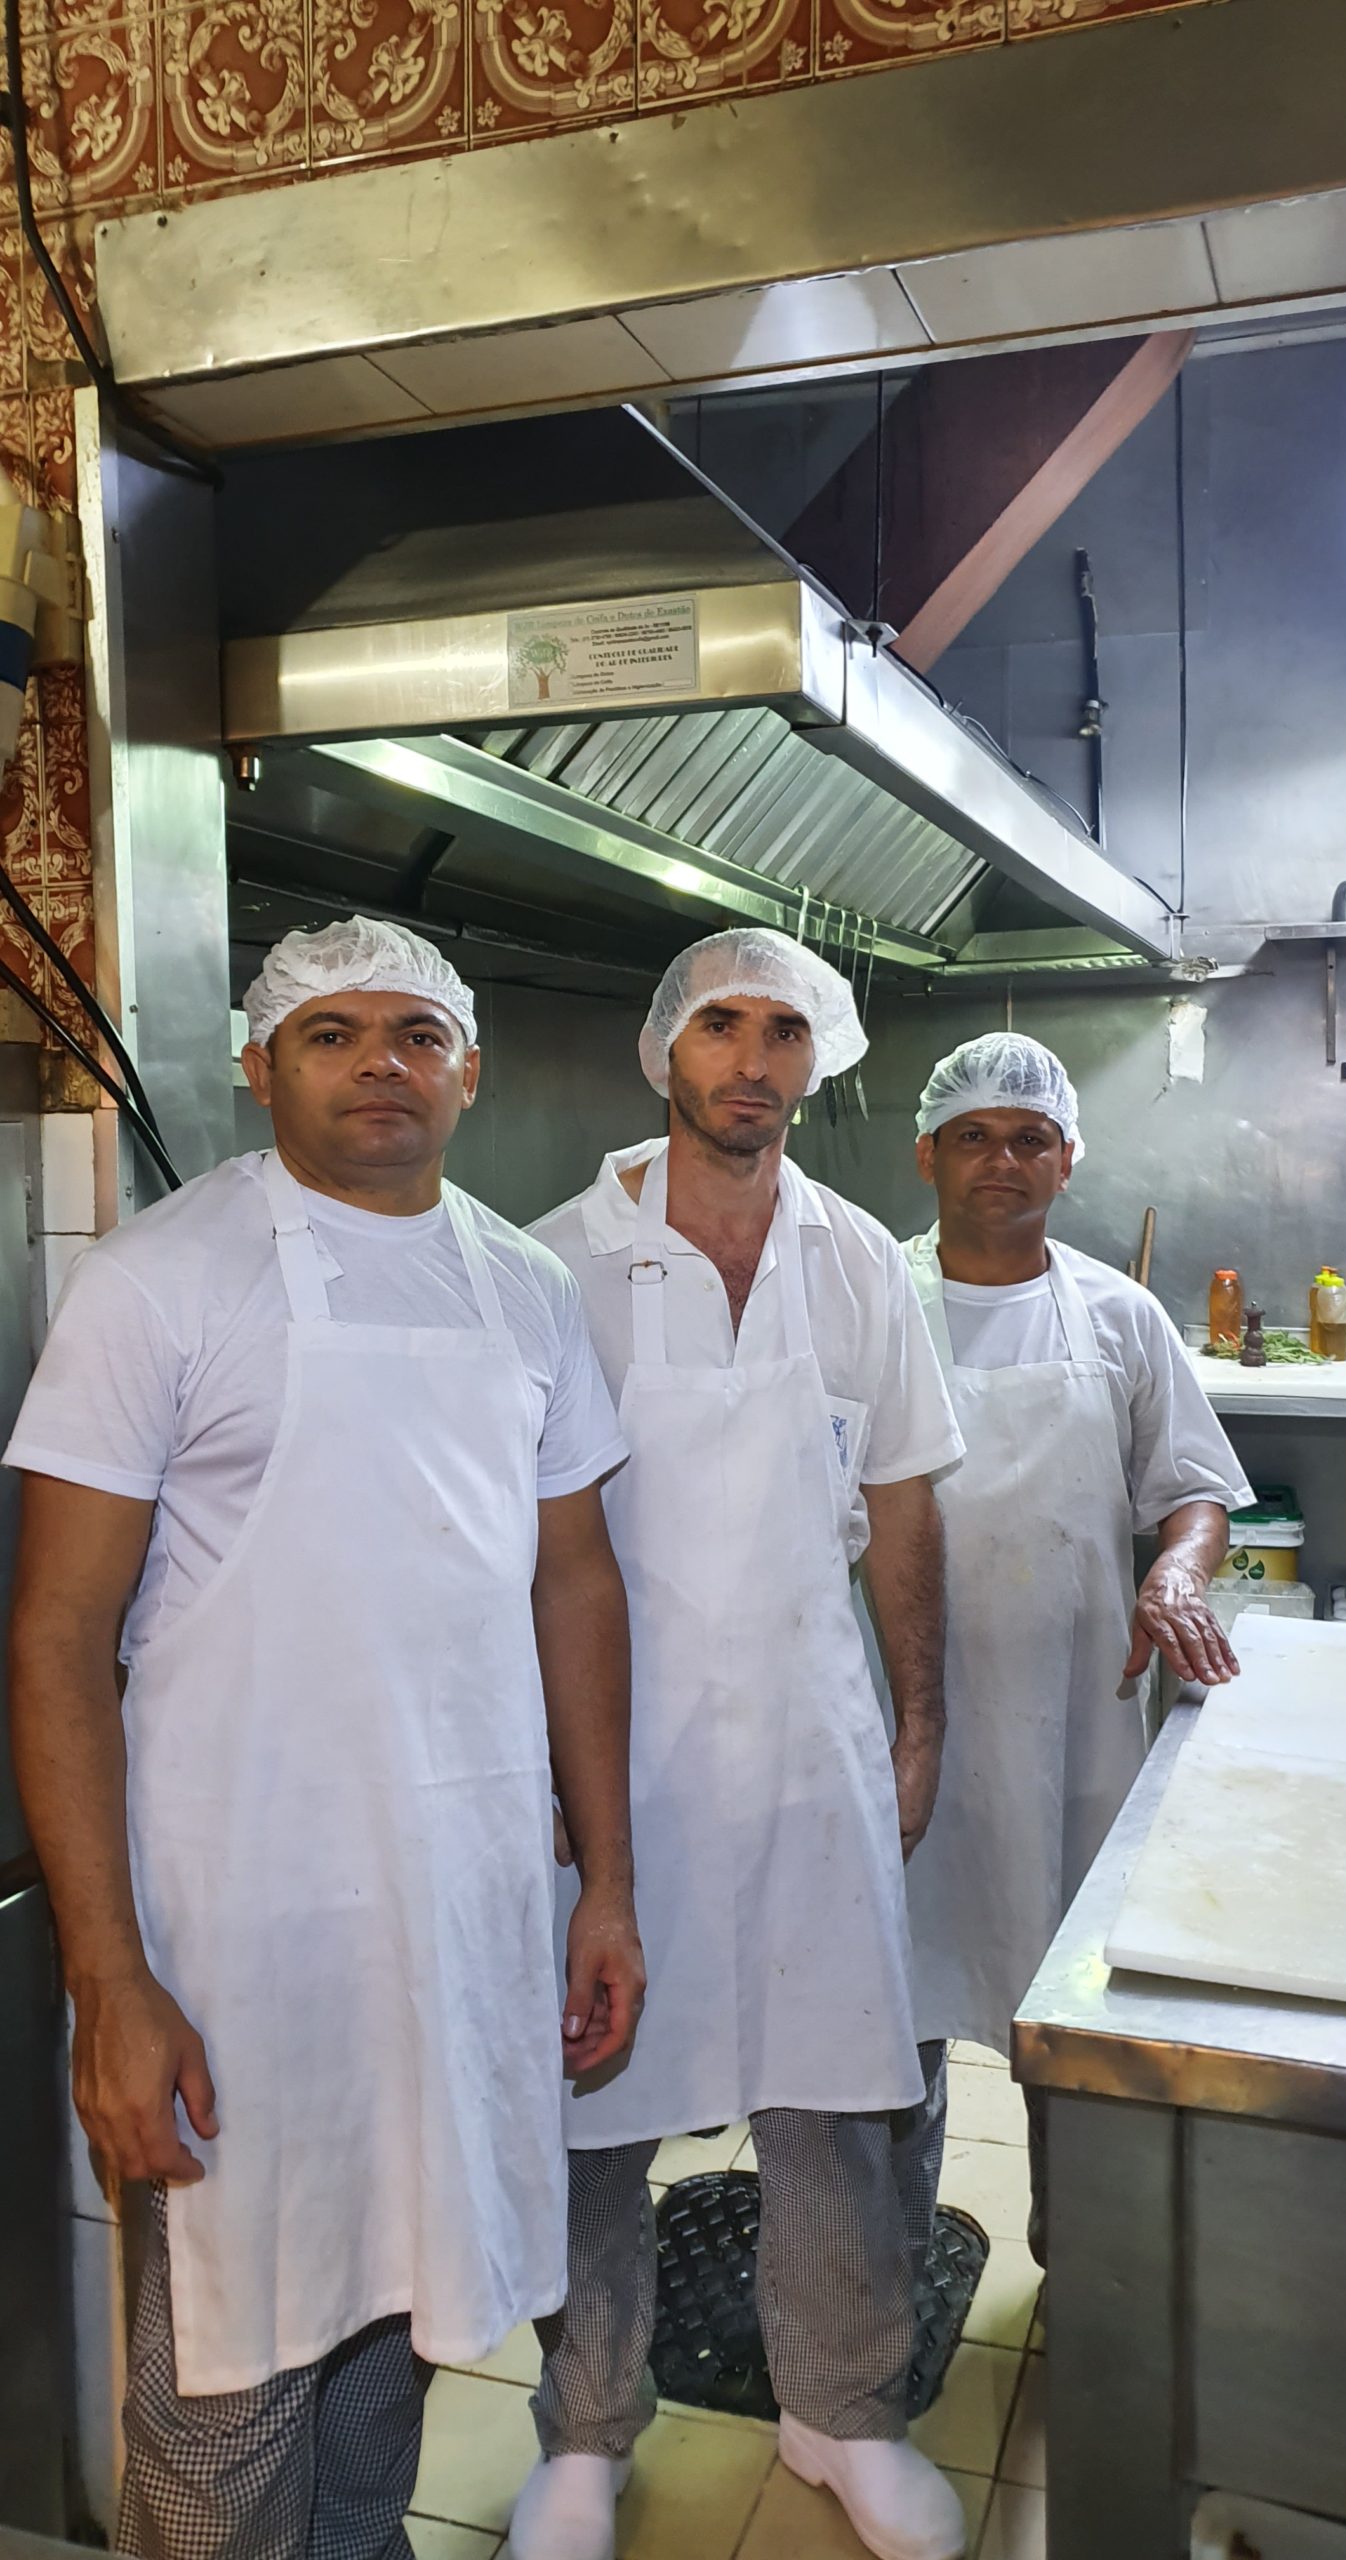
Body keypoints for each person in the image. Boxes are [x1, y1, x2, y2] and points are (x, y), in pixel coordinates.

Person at [6, 916, 646, 2560]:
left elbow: (574, 1587)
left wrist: (606, 1885)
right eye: (333, 1033)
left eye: (417, 1034)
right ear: (260, 1064)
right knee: (227, 2383)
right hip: (238, 1935)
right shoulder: (161, 1279)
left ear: (470, 1071)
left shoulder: (524, 1287)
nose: (382, 1064)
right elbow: (59, 1633)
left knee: (397, 2328)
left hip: (458, 1908)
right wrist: (108, 1978)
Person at [512, 927, 968, 2560]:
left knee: (834, 2096)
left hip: (808, 1744)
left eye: (785, 1032)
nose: (752, 1061)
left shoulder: (857, 1263)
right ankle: (581, 2436)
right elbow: (522, 1543)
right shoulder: (550, 1264)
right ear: (663, 1051)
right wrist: (548, 1783)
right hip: (613, 1766)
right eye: (723, 1026)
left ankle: (839, 2412)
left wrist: (915, 1722)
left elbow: (904, 1505)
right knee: (595, 2106)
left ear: (816, 1062)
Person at [897, 1031, 1253, 2259]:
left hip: (1079, 1726)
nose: (1002, 1160)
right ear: (926, 1153)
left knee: (1079, 2007)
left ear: (1067, 1159)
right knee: (897, 2004)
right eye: (974, 1136)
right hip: (906, 1724)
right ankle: (882, 2254)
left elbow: (1195, 1487)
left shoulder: (1122, 1312)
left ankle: (1079, 2258)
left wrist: (1176, 1563)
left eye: (1029, 1137)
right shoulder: (866, 1299)